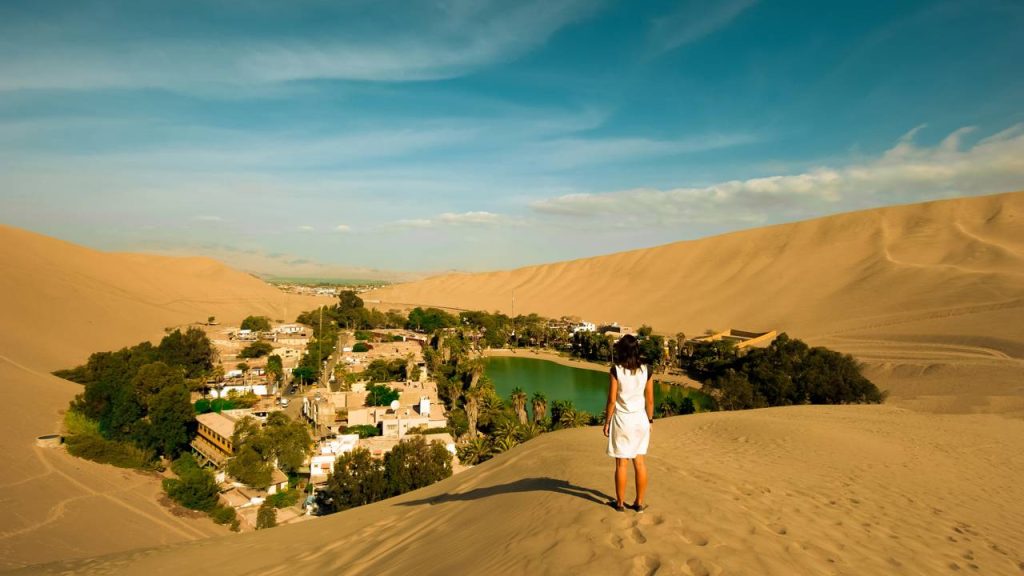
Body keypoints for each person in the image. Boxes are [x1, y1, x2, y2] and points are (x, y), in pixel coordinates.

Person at [602, 334, 654, 512]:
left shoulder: (616, 370)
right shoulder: (647, 370)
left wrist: (607, 421)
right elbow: (650, 400)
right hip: (641, 420)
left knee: (621, 464)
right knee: (639, 463)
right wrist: (650, 420)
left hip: (623, 420)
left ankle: (620, 504)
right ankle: (639, 504)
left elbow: (611, 400)